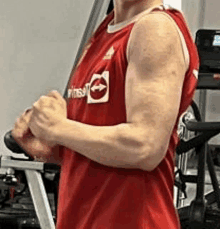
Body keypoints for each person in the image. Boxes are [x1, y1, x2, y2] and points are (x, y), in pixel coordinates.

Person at [11, 0, 199, 228]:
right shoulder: (104, 32)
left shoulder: (155, 28)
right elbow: (98, 149)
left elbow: (144, 147)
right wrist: (46, 149)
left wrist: (58, 128)